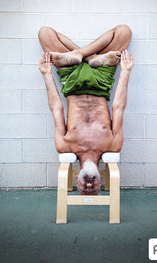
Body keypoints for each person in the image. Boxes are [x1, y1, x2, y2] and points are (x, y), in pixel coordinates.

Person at [38, 25, 134, 195]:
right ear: (100, 180)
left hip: (71, 79)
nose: (89, 185)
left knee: (45, 33)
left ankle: (80, 55)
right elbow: (118, 106)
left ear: (77, 180)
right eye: (93, 187)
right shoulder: (113, 144)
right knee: (124, 32)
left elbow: (57, 109)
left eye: (84, 187)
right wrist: (125, 72)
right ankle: (87, 57)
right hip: (101, 80)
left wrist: (47, 75)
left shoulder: (65, 146)